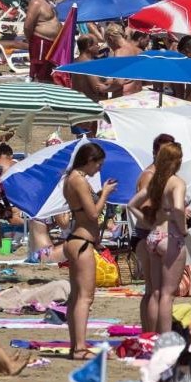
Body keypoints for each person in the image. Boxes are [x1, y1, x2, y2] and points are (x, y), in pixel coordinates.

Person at [62, 142, 116, 358]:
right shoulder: (79, 180)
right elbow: (93, 214)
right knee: (85, 298)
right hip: (82, 242)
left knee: (76, 297)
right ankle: (80, 348)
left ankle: (76, 345)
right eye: (98, 165)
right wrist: (105, 195)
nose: (99, 170)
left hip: (77, 240)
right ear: (90, 161)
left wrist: (100, 193)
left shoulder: (71, 178)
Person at [128, 142, 187, 335]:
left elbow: (131, 205)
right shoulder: (176, 182)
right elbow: (178, 207)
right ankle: (165, 339)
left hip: (153, 235)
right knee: (168, 295)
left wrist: (148, 220)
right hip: (171, 236)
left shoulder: (156, 182)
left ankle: (150, 336)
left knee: (154, 291)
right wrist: (182, 226)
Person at [24, 0, 60, 83]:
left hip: (50, 43)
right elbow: (27, 25)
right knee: (41, 75)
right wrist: (34, 40)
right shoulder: (36, 2)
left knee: (49, 75)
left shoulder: (47, 1)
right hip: (41, 42)